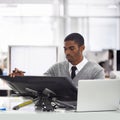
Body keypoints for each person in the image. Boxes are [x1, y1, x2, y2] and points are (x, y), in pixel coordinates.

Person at [10, 33, 105, 87]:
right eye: (65, 49)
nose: (67, 52)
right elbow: (40, 83)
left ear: (82, 48)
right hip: (60, 114)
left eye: (71, 48)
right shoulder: (57, 68)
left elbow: (99, 97)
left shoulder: (96, 71)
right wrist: (23, 78)